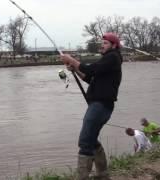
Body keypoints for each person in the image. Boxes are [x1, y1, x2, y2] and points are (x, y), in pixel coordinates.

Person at [60, 32, 123, 180]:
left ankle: (82, 177)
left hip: (100, 106)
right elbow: (89, 78)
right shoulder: (108, 60)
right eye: (102, 42)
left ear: (114, 45)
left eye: (106, 43)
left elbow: (90, 69)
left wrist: (72, 60)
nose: (102, 45)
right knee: (91, 139)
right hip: (99, 106)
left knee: (85, 141)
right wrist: (75, 69)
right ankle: (103, 174)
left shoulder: (113, 57)